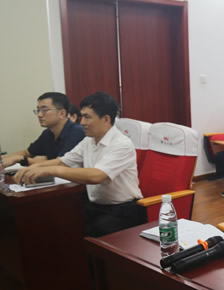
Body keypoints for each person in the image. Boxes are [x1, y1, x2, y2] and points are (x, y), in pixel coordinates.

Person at [14, 92, 144, 238]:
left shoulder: (121, 144)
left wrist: (53, 170)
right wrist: (35, 167)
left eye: (87, 117)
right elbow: (63, 161)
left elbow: (97, 175)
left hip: (122, 211)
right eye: (82, 116)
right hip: (94, 206)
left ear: (106, 119)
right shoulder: (88, 141)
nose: (81, 122)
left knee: (84, 233)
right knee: (58, 220)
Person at [2, 92, 85, 168]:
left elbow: (60, 163)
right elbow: (27, 153)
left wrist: (21, 159)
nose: (39, 115)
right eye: (38, 110)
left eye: (44, 110)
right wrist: (6, 158)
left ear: (62, 113)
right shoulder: (47, 133)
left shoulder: (77, 132)